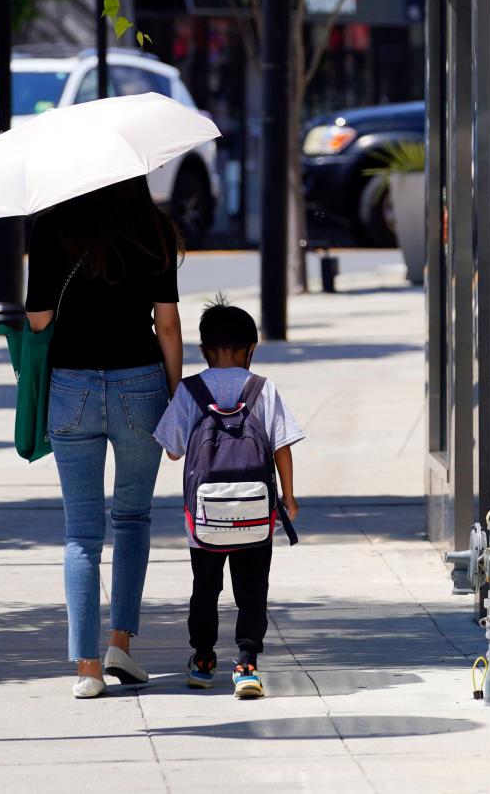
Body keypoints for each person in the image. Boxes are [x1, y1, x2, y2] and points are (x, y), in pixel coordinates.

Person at [25, 176, 183, 699]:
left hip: (72, 387)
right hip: (140, 382)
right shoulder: (152, 228)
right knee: (134, 517)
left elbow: (38, 317)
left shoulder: (51, 228)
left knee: (81, 534)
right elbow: (167, 324)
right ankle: (120, 643)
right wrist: (175, 394)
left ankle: (87, 668)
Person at [153, 300, 304, 699]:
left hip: (204, 519)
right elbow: (282, 445)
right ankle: (247, 664)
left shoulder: (191, 390)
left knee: (205, 587)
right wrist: (288, 497)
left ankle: (203, 659)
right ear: (251, 348)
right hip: (256, 516)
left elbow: (172, 450)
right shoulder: (262, 388)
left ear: (202, 350)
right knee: (252, 588)